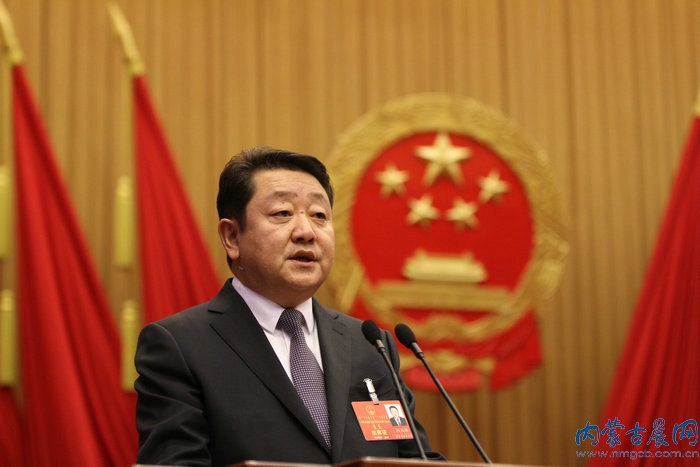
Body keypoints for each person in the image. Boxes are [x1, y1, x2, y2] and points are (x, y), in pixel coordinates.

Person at [134, 147, 444, 467]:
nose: (306, 232)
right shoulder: (181, 346)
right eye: (283, 213)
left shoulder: (370, 345)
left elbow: (414, 460)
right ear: (232, 237)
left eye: (319, 215)